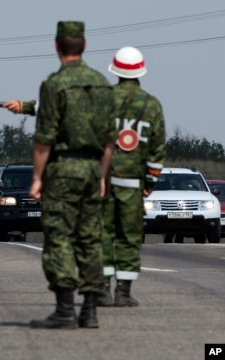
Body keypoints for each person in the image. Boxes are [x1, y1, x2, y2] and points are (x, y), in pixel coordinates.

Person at [9, 21, 116, 329]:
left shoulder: (54, 85)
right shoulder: (102, 84)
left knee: (59, 238)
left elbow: (44, 138)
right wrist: (101, 176)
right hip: (93, 167)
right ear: (83, 46)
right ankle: (91, 310)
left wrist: (38, 178)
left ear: (57, 46)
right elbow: (109, 140)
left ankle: (65, 309)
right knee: (90, 238)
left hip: (63, 169)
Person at [98, 46, 166, 307]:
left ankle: (102, 291)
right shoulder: (151, 105)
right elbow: (157, 149)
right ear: (141, 72)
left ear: (114, 71)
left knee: (103, 235)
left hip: (103, 182)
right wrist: (149, 182)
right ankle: (123, 293)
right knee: (129, 237)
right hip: (132, 185)